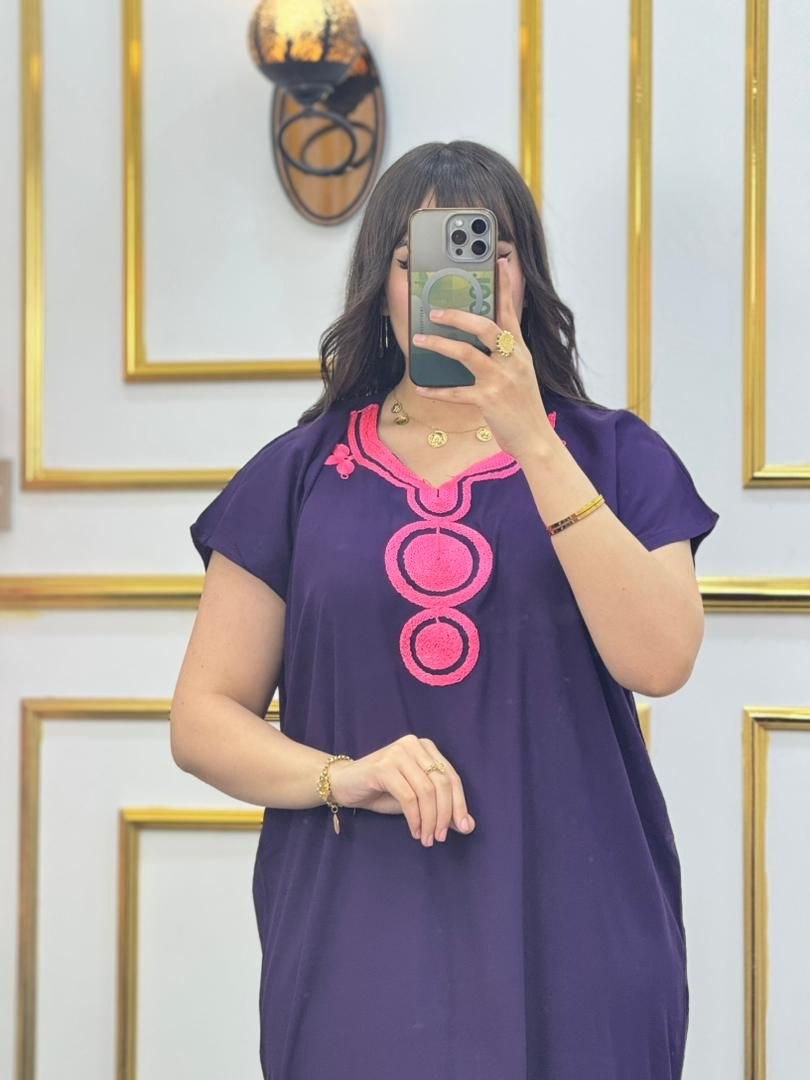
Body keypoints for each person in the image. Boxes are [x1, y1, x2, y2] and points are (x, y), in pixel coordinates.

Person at [170, 140, 719, 1080]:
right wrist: (346, 776)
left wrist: (531, 437)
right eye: (417, 256)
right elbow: (201, 719)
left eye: (488, 250)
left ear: (525, 276)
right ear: (382, 288)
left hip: (577, 923)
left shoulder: (615, 455)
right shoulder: (298, 475)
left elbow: (660, 659)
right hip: (356, 928)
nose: (458, 280)